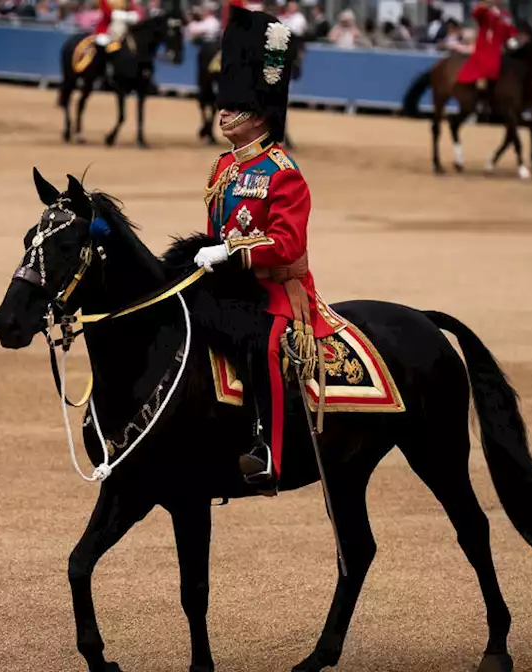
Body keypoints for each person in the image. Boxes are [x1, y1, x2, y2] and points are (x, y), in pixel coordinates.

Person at [194, 2, 332, 486]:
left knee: (263, 343)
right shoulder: (223, 168)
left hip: (277, 290)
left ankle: (267, 449)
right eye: (224, 104)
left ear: (260, 115)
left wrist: (232, 253)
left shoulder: (284, 174)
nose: (224, 112)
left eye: (234, 107)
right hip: (230, 282)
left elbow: (287, 244)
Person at [456, 0, 518, 100]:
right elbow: (477, 14)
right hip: (485, 48)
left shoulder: (505, 15)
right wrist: (486, 5)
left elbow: (510, 30)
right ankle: (480, 100)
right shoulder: (486, 13)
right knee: (486, 68)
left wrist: (512, 40)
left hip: (499, 47)